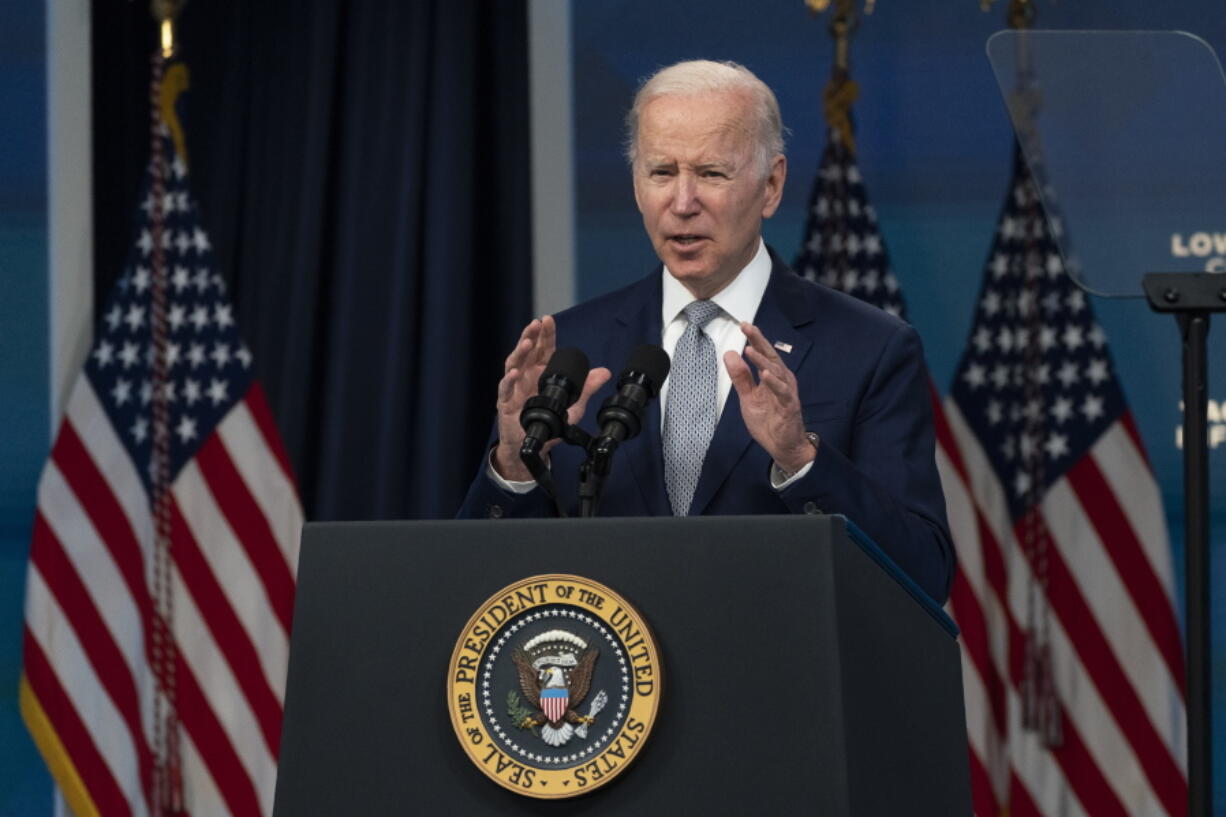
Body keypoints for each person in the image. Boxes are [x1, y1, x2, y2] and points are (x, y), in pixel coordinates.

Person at [458, 60, 954, 603]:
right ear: (636, 184)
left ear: (771, 185)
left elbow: (922, 572)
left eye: (712, 174)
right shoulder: (574, 348)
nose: (683, 202)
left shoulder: (870, 348)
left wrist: (802, 460)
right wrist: (514, 463)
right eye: (662, 172)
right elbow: (478, 581)